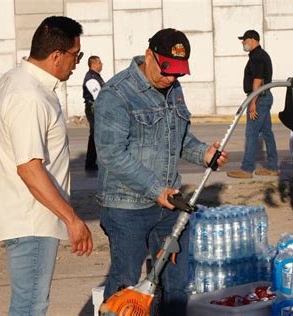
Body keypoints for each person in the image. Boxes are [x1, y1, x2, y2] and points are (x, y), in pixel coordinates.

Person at [94, 28, 228, 315]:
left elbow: (180, 138)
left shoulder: (173, 88)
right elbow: (111, 154)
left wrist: (203, 154)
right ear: (148, 57)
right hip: (126, 208)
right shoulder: (116, 94)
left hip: (168, 206)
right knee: (126, 286)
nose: (172, 79)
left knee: (175, 286)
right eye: (167, 71)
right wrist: (156, 190)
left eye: (178, 74)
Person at [0, 16, 93, 316]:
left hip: (28, 215)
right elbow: (29, 168)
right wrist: (72, 220)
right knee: (30, 306)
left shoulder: (15, 80)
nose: (76, 63)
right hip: (33, 218)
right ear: (57, 55)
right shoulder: (29, 96)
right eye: (76, 56)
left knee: (28, 303)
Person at [227, 30, 278, 179]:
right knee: (267, 133)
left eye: (244, 40)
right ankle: (272, 167)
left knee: (251, 133)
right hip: (264, 97)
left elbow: (257, 80)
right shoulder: (262, 54)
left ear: (252, 40)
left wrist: (253, 102)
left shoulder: (256, 57)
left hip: (259, 98)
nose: (242, 43)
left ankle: (247, 169)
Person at [82, 55, 105, 171]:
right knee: (95, 135)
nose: (102, 65)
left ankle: (92, 161)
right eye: (100, 63)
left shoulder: (95, 76)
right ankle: (90, 162)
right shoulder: (91, 79)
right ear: (94, 64)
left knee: (96, 134)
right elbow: (99, 97)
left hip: (95, 109)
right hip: (93, 109)